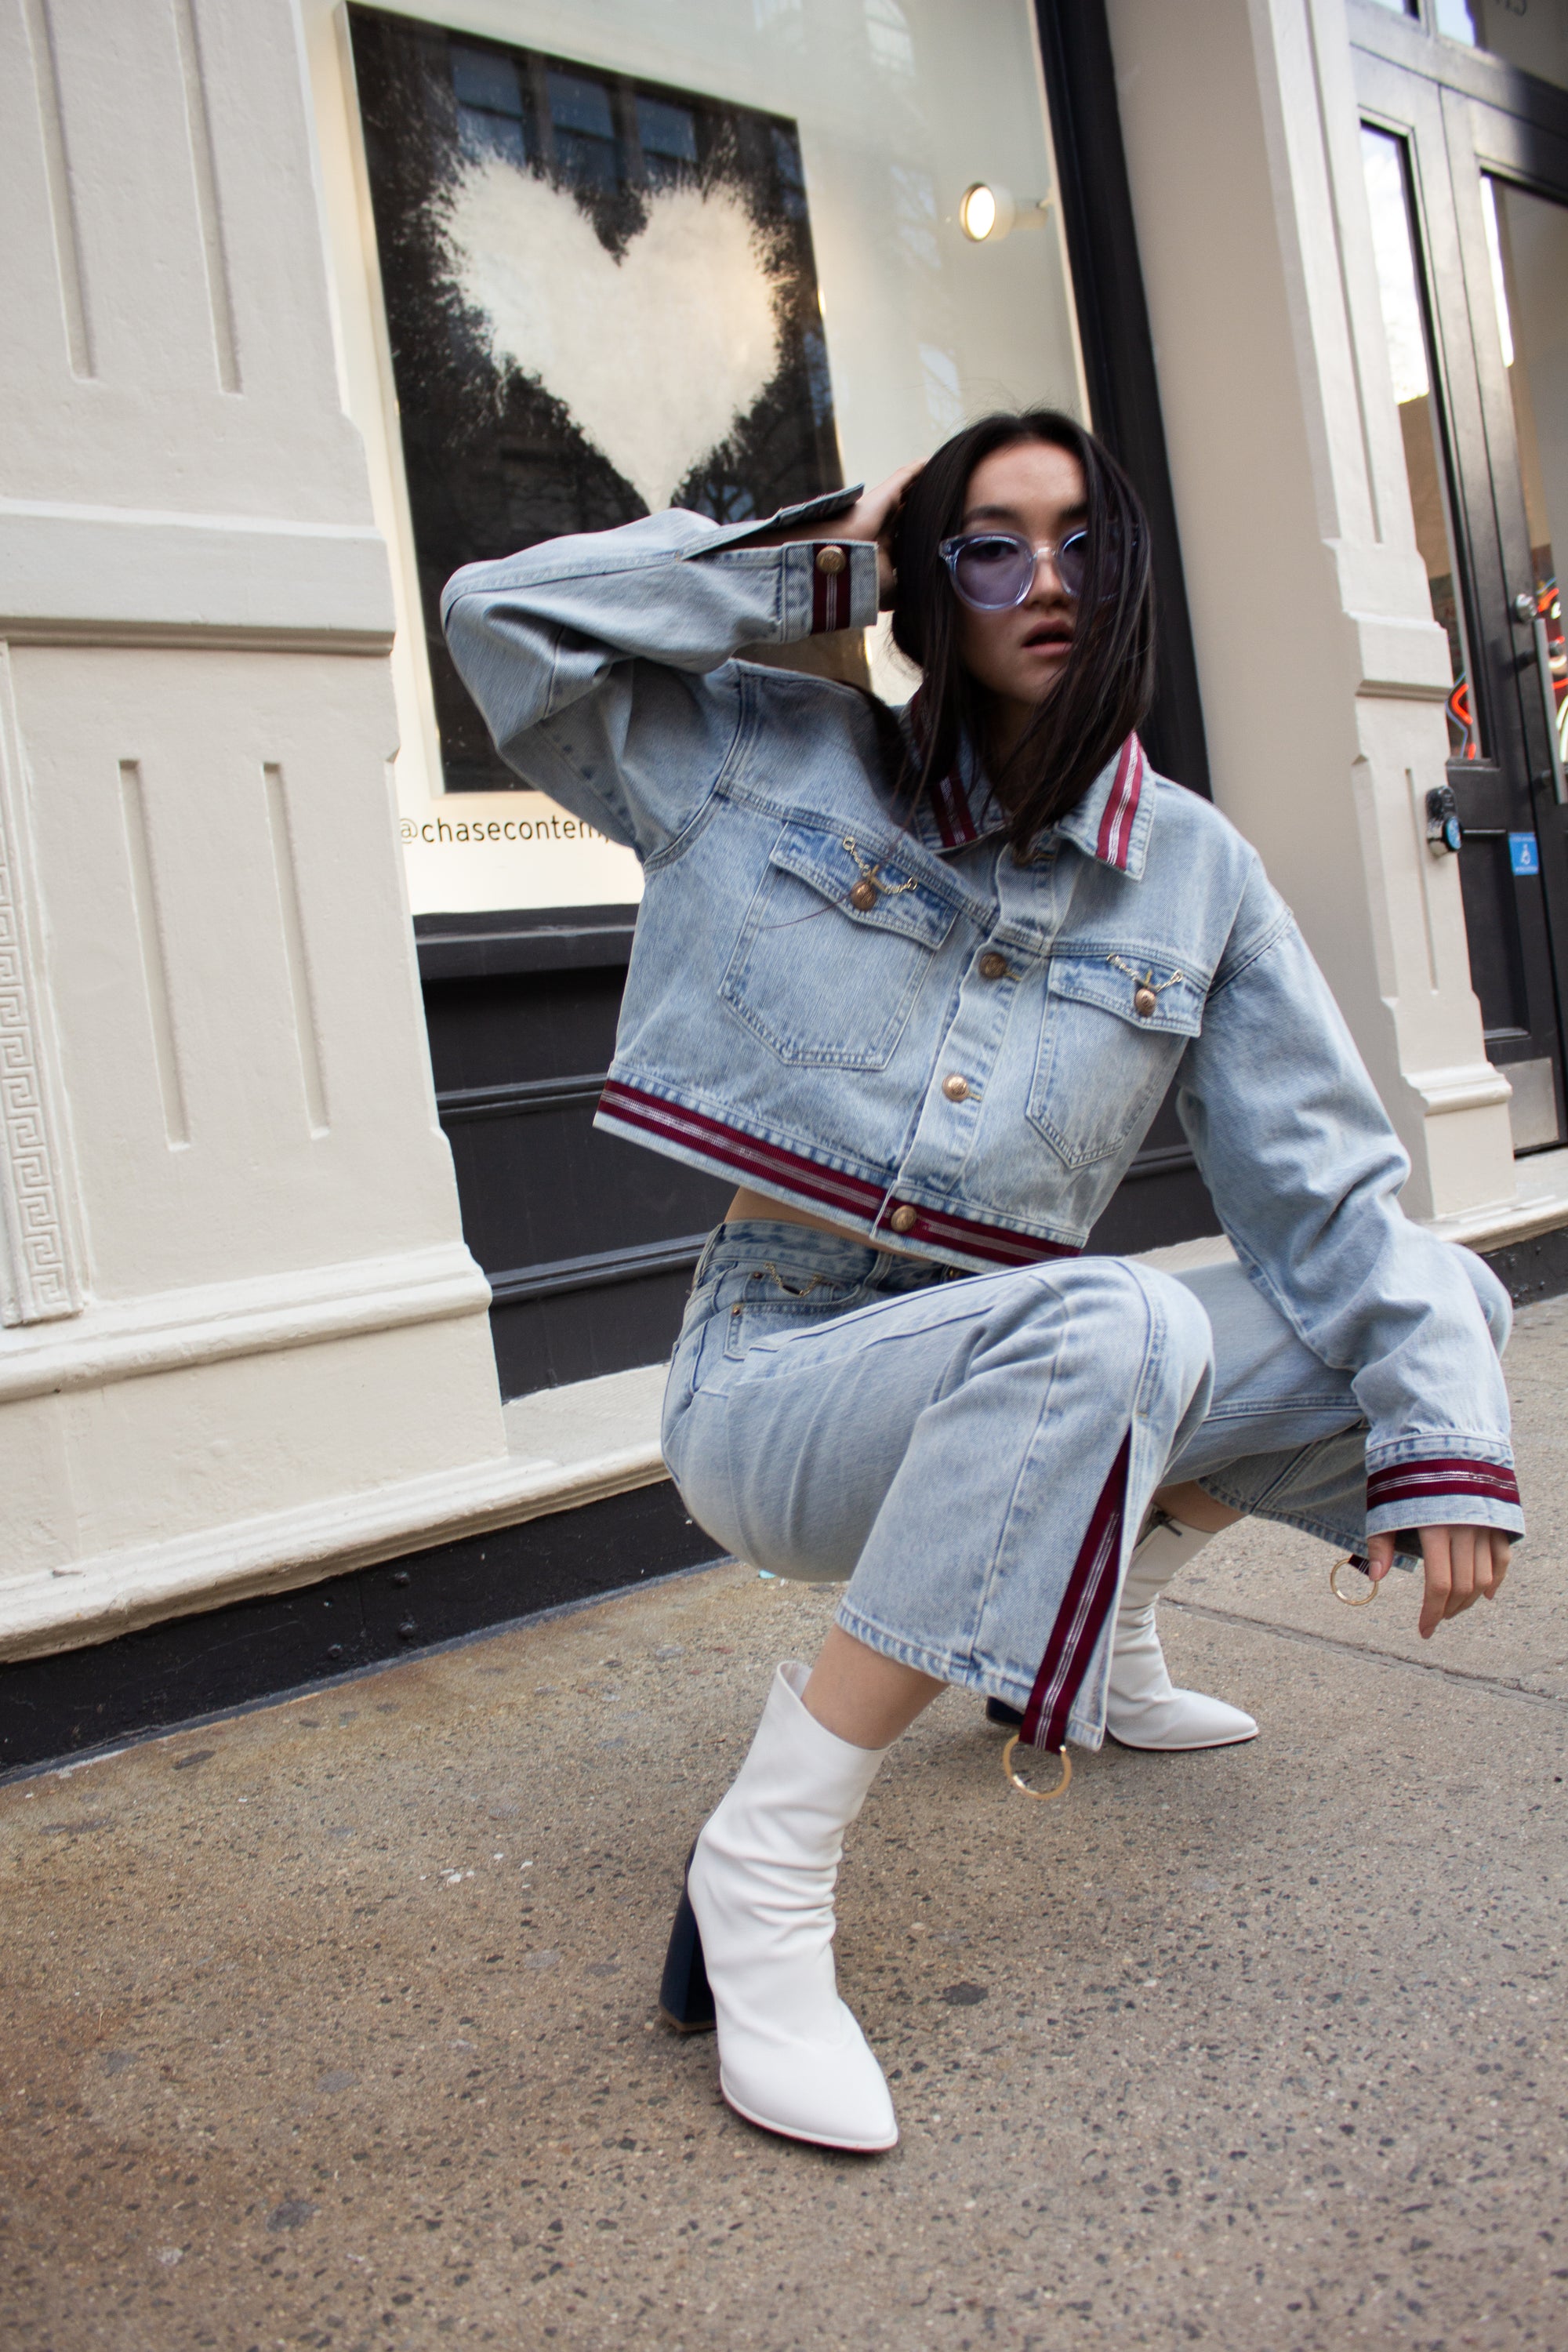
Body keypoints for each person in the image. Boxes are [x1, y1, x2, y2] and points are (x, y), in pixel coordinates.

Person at [442, 410, 1520, 2158]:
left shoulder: (1197, 872)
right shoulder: (767, 757)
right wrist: (816, 564)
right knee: (1116, 1318)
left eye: (1084, 542)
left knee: (1438, 1317)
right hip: (779, 1373)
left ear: (1134, 581)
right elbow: (504, 621)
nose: (1046, 583)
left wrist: (1448, 1439)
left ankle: (1096, 1641)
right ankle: (766, 1867)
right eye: (989, 544)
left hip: (1025, 1353)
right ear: (927, 588)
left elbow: (1331, 1205)